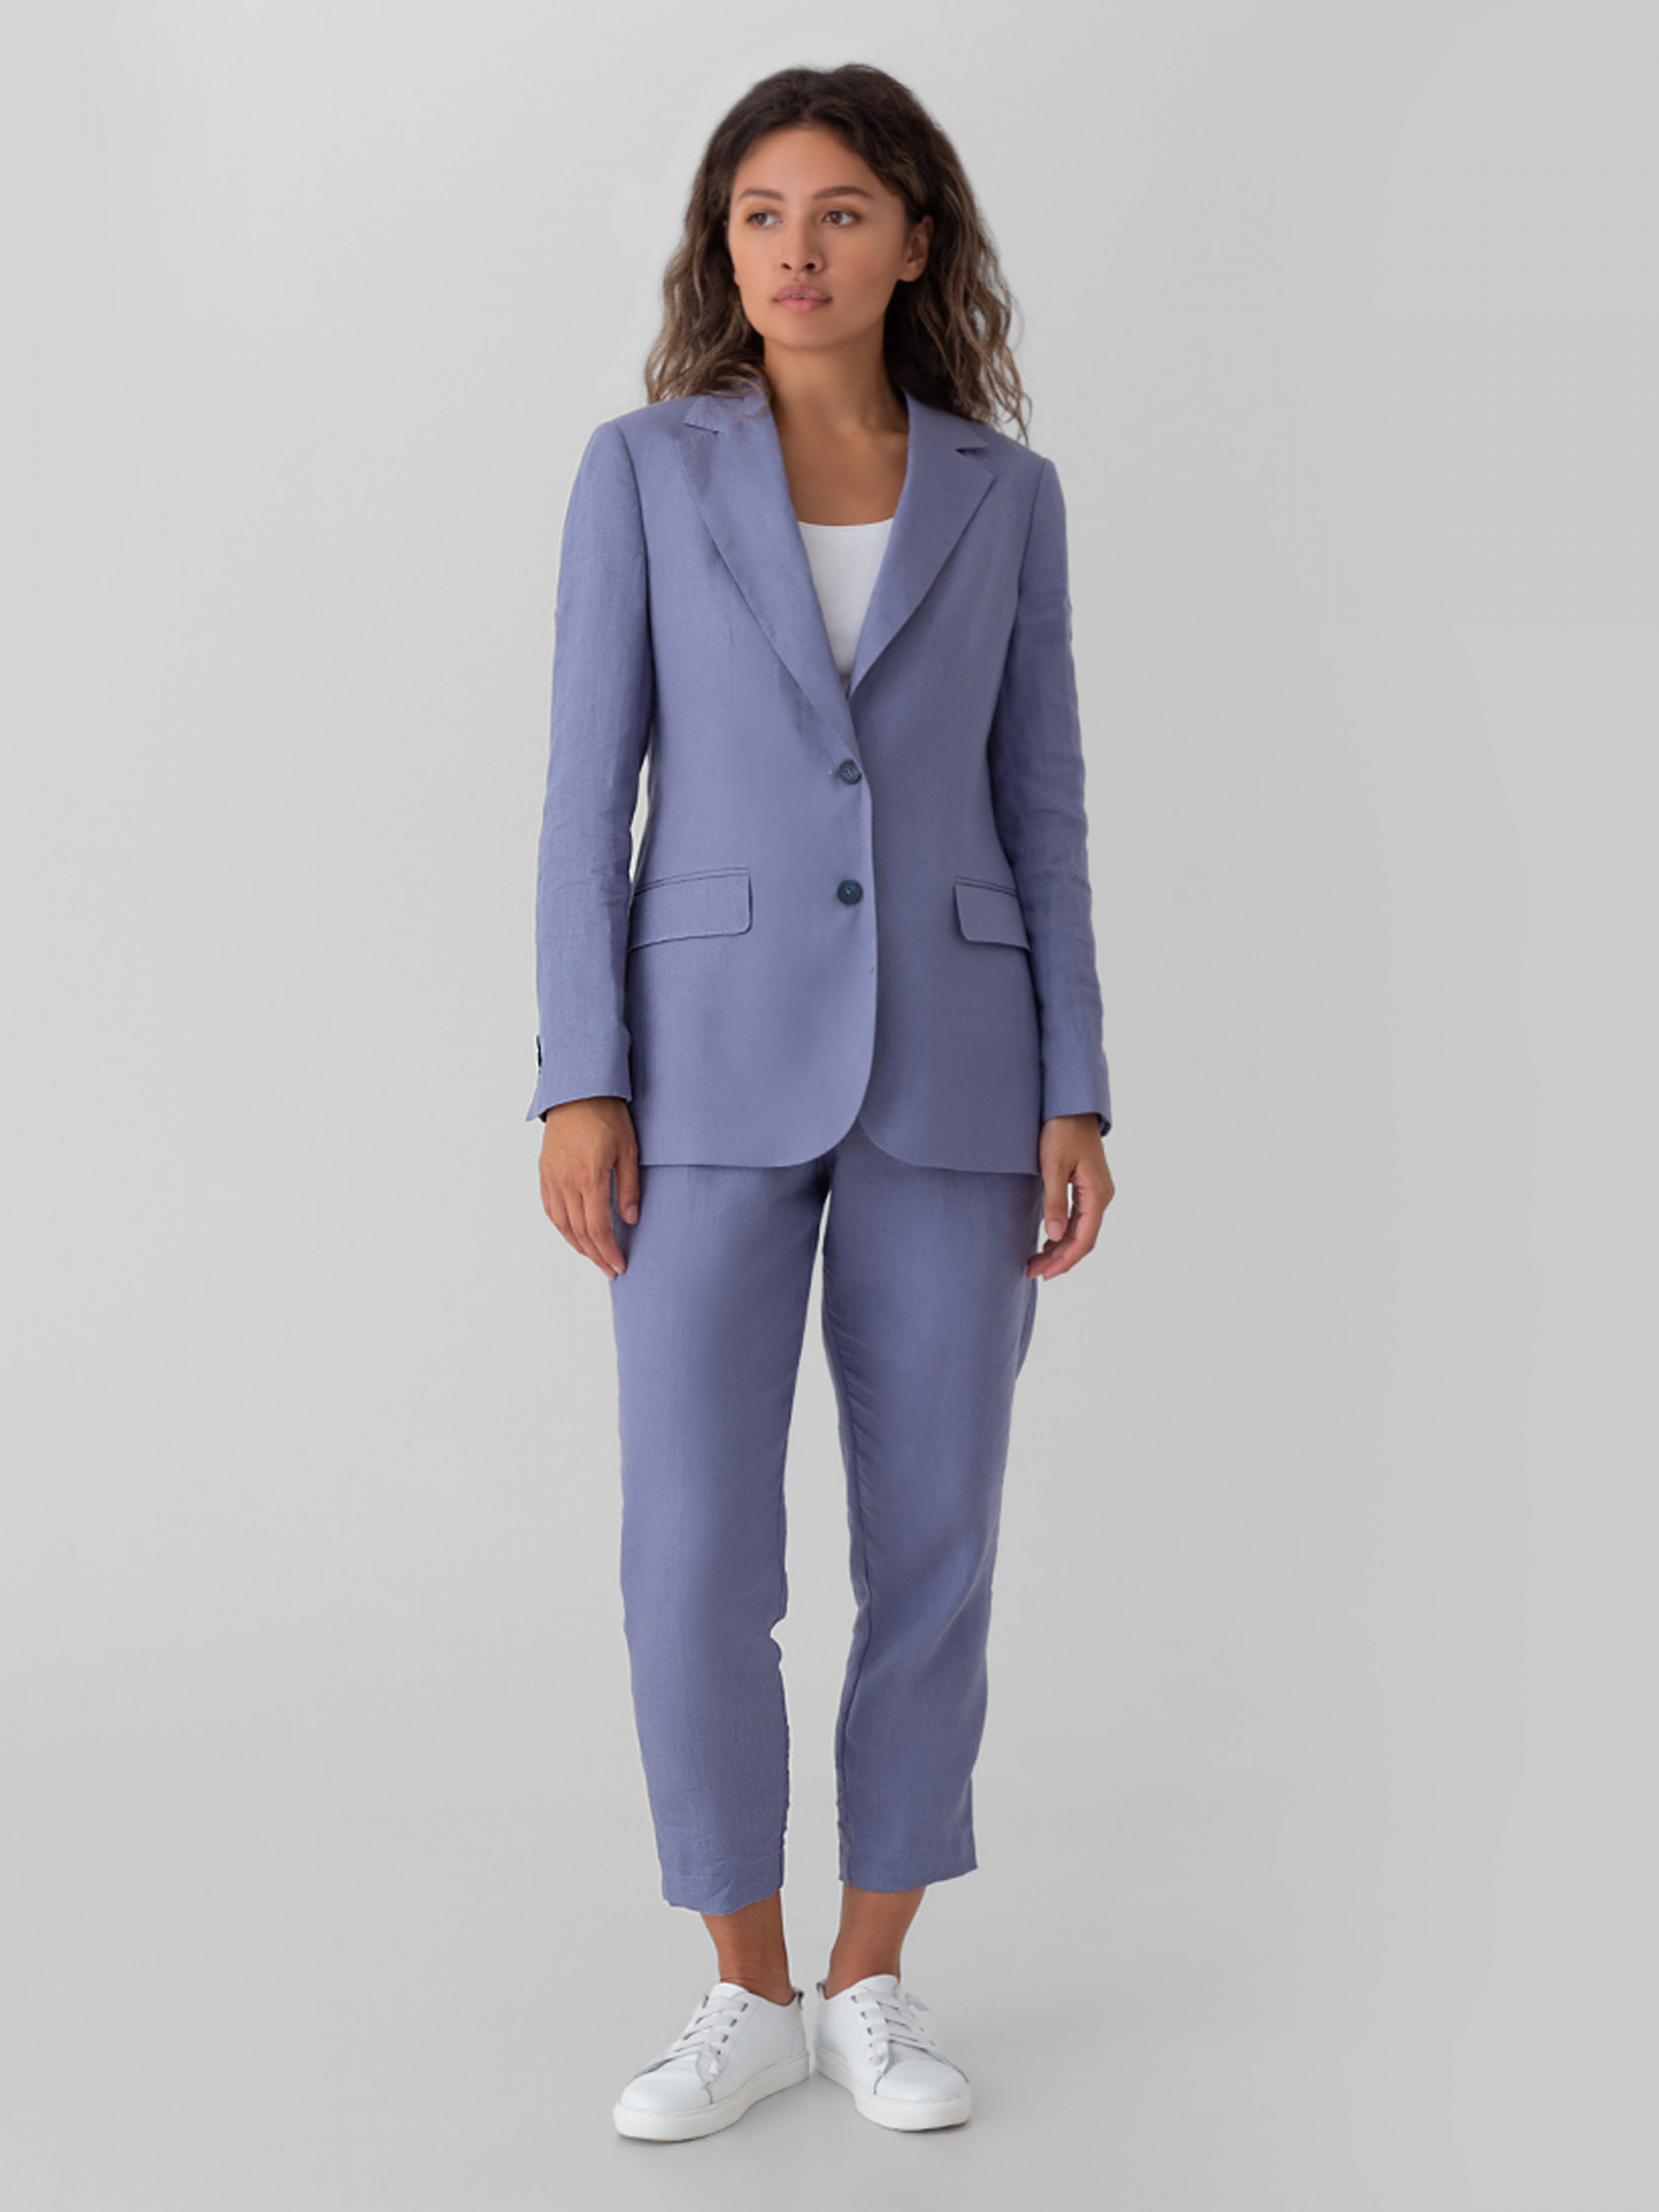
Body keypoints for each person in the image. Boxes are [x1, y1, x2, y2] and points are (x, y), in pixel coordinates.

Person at [526, 62, 1116, 2142]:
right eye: (761, 213)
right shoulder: (641, 473)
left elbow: (1041, 807)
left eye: (841, 211)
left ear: (912, 242)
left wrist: (1076, 1086)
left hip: (960, 1065)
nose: (797, 248)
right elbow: (583, 795)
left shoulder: (1003, 497)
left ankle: (869, 1978)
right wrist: (578, 1076)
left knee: (932, 1539)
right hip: (692, 1072)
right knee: (690, 1546)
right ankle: (740, 1985)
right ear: (723, 243)